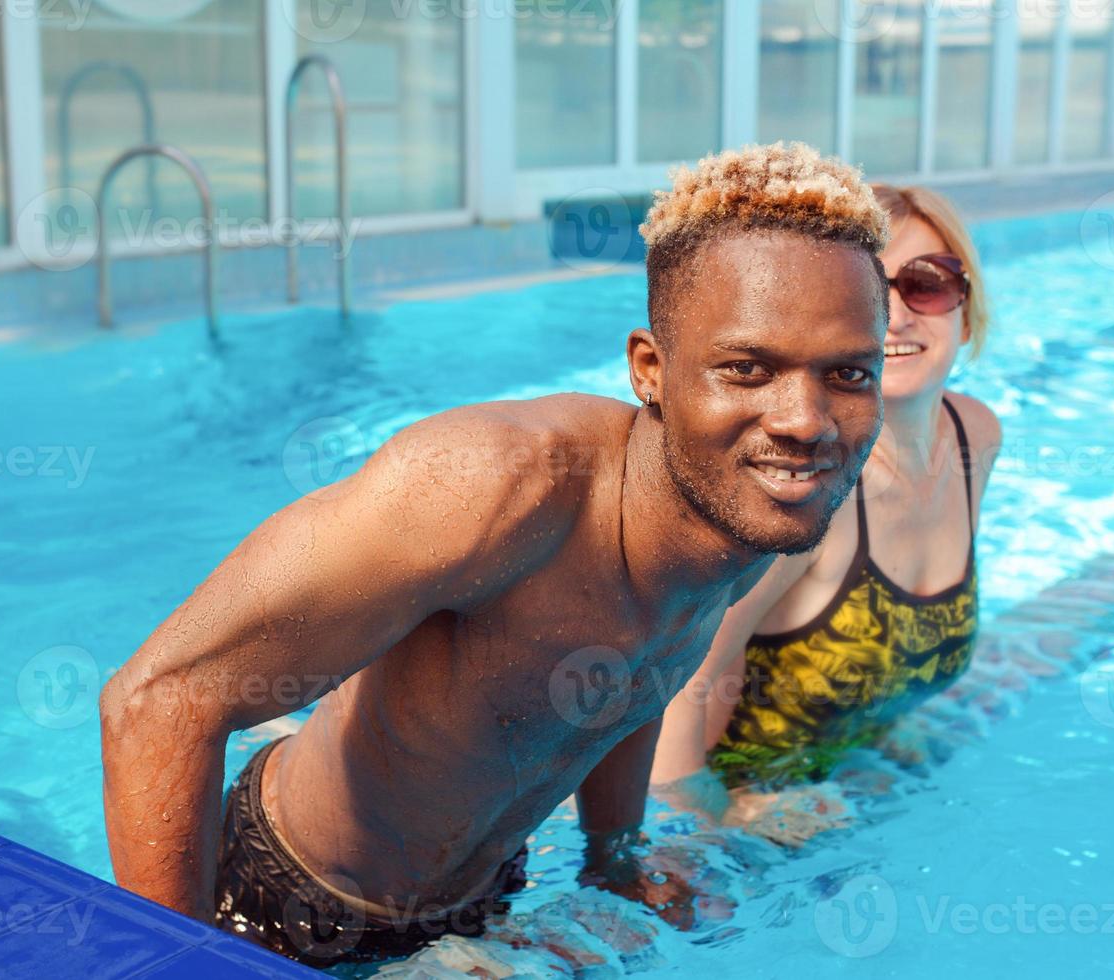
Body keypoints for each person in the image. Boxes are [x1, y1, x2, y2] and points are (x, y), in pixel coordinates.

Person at [98, 141, 892, 967]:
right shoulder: (492, 487)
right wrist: (179, 963)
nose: (804, 419)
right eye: (745, 368)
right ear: (650, 370)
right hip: (276, 897)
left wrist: (614, 858)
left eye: (846, 374)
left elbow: (641, 672)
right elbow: (157, 699)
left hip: (480, 903)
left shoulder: (760, 508)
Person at [651, 184, 1002, 831]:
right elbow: (670, 688)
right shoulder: (807, 487)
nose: (894, 317)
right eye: (865, 293)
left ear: (965, 305)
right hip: (745, 815)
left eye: (926, 283)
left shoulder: (973, 436)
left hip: (849, 786)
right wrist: (716, 822)